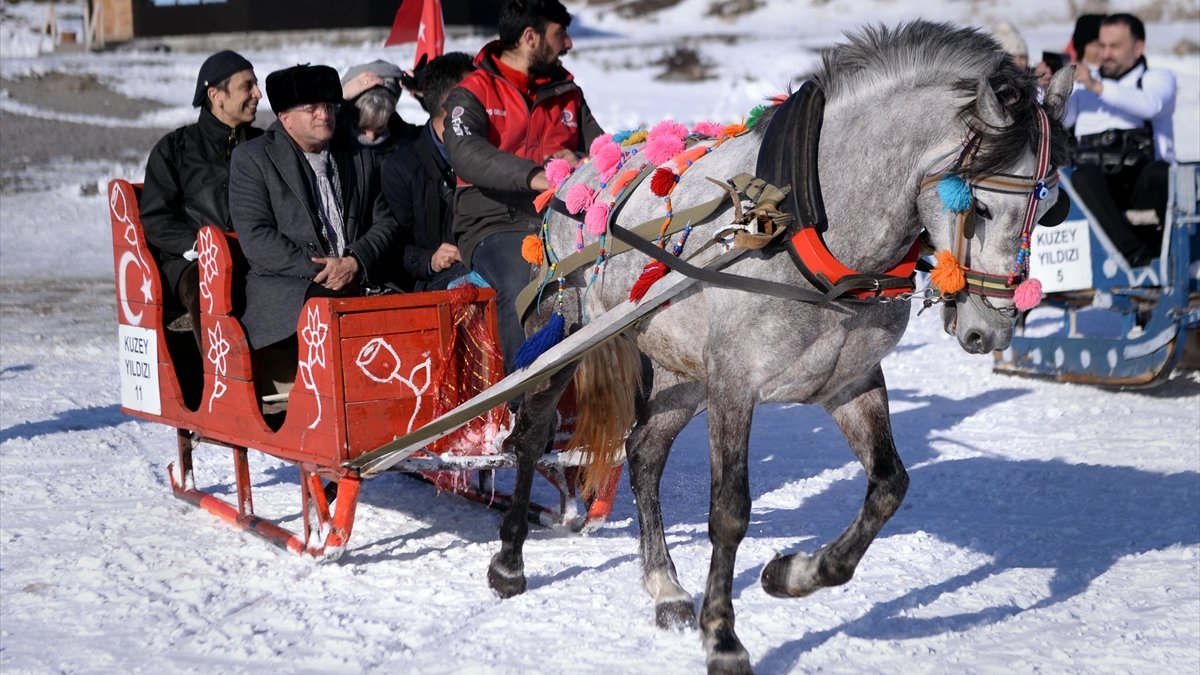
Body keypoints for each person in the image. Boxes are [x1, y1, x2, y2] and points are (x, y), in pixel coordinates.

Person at [443, 0, 604, 372]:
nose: (568, 44)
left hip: (561, 217)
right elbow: (467, 153)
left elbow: (600, 150)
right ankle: (521, 404)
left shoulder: (568, 90)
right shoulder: (471, 92)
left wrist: (578, 158)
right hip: (493, 224)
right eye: (559, 34)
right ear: (530, 37)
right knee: (523, 279)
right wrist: (536, 176)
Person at [229, 64, 402, 356]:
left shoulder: (358, 155)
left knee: (412, 308)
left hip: (357, 275)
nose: (324, 115)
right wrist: (323, 270)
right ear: (285, 118)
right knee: (336, 311)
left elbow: (385, 221)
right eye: (311, 109)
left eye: (329, 107)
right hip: (290, 285)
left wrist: (353, 262)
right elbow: (257, 237)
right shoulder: (253, 158)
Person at [139, 50, 262, 350]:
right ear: (216, 95)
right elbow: (156, 219)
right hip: (191, 265)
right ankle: (221, 378)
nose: (258, 94)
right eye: (247, 86)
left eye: (256, 85)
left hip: (255, 255)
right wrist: (200, 247)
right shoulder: (174, 149)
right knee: (209, 285)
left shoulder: (263, 144)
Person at [1063, 13, 1177, 267]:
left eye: (1114, 47)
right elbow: (1058, 120)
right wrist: (1049, 88)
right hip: (1101, 191)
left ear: (1138, 48)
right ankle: (1135, 256)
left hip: (1144, 185)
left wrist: (1097, 87)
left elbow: (1152, 106)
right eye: (1101, 46)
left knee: (1161, 173)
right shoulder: (1082, 87)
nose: (1105, 54)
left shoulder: (1156, 79)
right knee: (1082, 175)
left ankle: (1174, 252)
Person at [380, 52, 476, 292]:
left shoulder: (492, 153)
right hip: (433, 289)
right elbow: (391, 248)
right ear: (451, 105)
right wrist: (429, 259)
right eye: (477, 94)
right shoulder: (401, 167)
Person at [339, 59, 420, 171]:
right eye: (363, 128)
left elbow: (441, 130)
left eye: (379, 128)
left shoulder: (405, 138)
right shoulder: (335, 141)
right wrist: (340, 98)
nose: (371, 137)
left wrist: (426, 94)